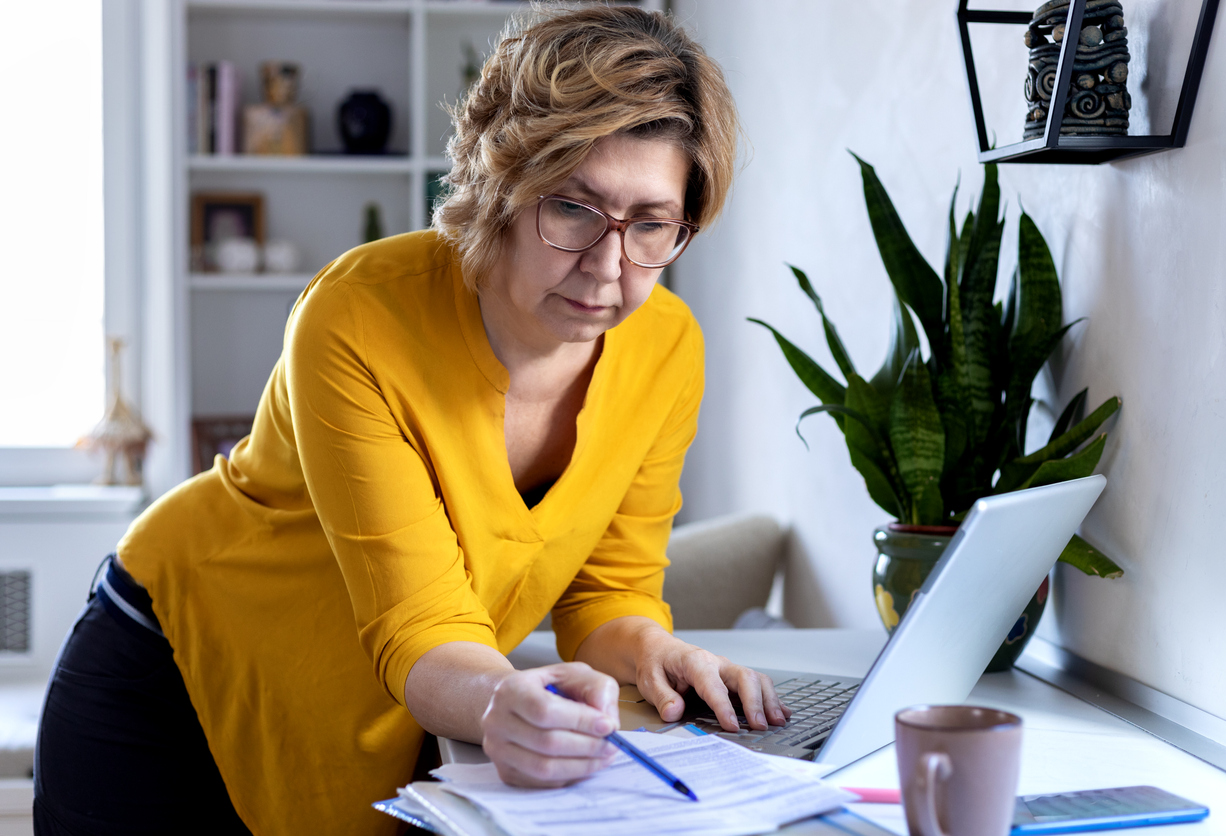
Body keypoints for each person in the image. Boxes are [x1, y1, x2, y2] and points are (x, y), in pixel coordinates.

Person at [34, 7, 789, 835]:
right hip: (172, 670)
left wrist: (659, 656)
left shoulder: (667, 349)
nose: (610, 267)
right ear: (500, 183)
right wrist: (502, 695)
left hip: (394, 700)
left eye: (650, 224)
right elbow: (421, 624)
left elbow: (608, 592)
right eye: (573, 209)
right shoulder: (359, 318)